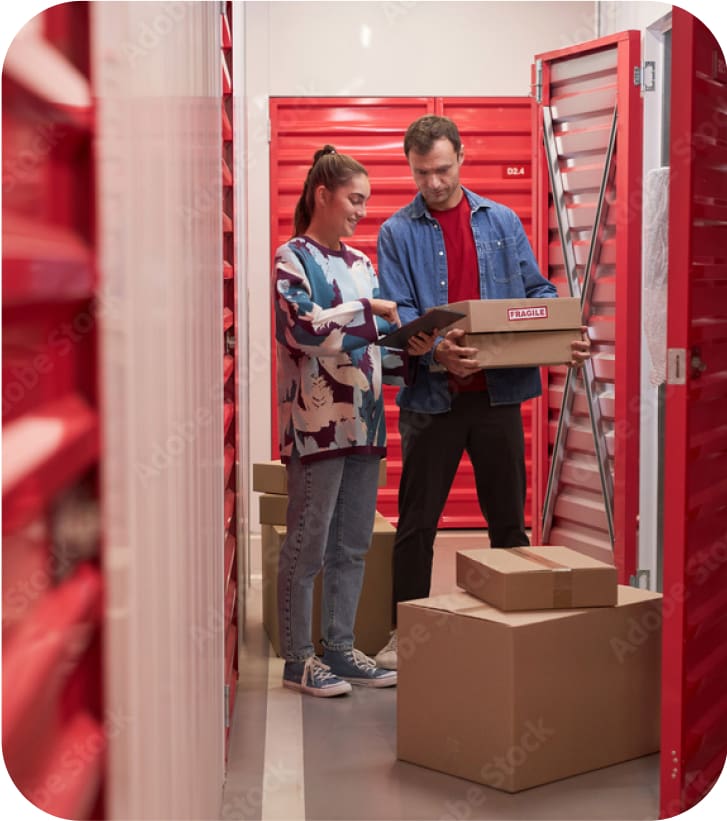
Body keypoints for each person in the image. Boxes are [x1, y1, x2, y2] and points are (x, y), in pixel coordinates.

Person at [373, 115, 591, 670]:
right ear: (411, 168)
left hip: (497, 396)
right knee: (418, 523)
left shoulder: (502, 222)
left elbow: (537, 291)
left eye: (443, 170)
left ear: (461, 157)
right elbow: (399, 311)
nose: (435, 183)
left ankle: (515, 629)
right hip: (433, 401)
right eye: (422, 173)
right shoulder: (397, 231)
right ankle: (407, 633)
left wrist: (564, 331)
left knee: (507, 523)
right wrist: (435, 349)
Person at [274, 145, 423, 696]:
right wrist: (371, 316)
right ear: (323, 195)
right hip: (316, 426)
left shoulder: (362, 265)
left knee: (353, 545)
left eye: (366, 201)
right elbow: (303, 332)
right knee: (307, 544)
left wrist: (411, 342)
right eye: (354, 199)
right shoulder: (291, 258)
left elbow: (379, 345)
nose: (362, 210)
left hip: (365, 424)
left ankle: (339, 648)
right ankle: (298, 659)